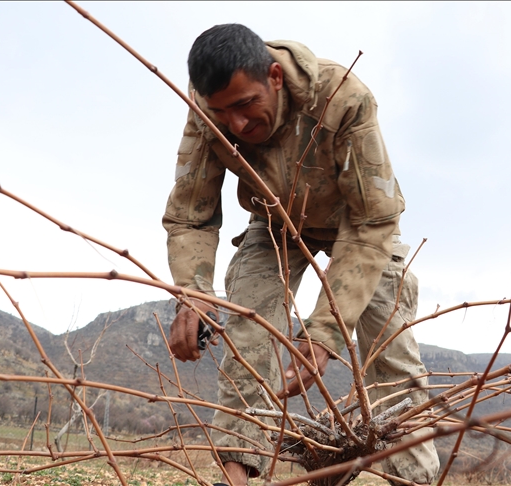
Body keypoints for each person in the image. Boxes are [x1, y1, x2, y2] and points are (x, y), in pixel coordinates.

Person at [163, 23, 439, 486]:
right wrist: (193, 291)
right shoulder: (205, 110)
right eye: (221, 113)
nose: (236, 125)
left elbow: (373, 220)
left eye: (245, 105)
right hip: (273, 223)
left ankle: (413, 479)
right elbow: (191, 213)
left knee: (390, 350)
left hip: (359, 225)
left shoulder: (343, 98)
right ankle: (236, 478)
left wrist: (325, 333)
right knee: (247, 328)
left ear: (274, 76)